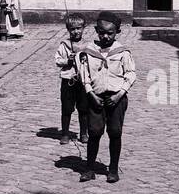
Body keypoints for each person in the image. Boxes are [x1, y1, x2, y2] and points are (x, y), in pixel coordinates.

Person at [77, 12, 136, 183]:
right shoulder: (89, 51)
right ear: (96, 30)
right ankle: (89, 169)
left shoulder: (122, 52)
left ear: (117, 32)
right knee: (94, 133)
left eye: (110, 33)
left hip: (116, 98)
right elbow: (84, 75)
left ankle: (113, 169)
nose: (105, 36)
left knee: (115, 132)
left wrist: (119, 94)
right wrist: (90, 93)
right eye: (101, 32)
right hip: (95, 97)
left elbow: (131, 74)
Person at [55, 12, 88, 144]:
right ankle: (65, 134)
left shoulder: (88, 45)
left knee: (84, 108)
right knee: (67, 108)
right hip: (68, 80)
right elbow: (57, 60)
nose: (75, 32)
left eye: (78, 28)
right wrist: (67, 61)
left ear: (83, 28)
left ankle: (84, 133)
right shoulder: (64, 45)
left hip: (83, 81)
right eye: (72, 29)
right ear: (68, 30)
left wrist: (86, 59)